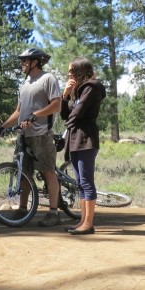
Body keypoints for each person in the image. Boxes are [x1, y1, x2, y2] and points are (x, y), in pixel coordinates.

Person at [0, 48, 64, 227]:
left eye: (26, 60)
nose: (22, 64)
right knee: (23, 173)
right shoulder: (24, 83)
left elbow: (57, 104)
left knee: (48, 171)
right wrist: (3, 126)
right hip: (23, 136)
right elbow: (18, 111)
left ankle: (54, 213)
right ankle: (23, 209)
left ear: (36, 62)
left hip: (41, 135)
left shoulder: (48, 79)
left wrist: (35, 115)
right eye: (22, 61)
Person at [60, 57, 105, 235]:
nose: (69, 74)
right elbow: (66, 115)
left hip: (87, 140)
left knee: (86, 182)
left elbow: (76, 114)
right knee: (79, 183)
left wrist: (64, 132)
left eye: (72, 71)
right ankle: (83, 221)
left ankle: (89, 223)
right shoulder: (79, 92)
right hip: (76, 140)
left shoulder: (91, 88)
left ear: (80, 71)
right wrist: (65, 95)